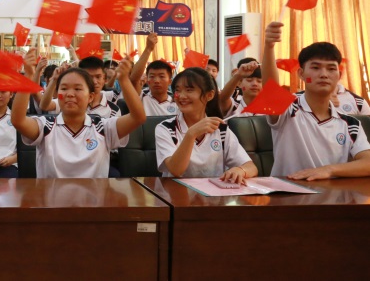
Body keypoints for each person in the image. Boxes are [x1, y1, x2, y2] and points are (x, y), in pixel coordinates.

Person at [10, 49, 146, 178]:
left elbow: (138, 117)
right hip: (52, 194)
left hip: (94, 194)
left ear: (90, 97)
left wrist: (124, 80)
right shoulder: (46, 126)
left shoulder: (103, 128)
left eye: (78, 89)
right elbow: (18, 120)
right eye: (64, 88)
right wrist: (28, 75)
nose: (70, 94)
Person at [262, 22, 370, 179]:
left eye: (331, 69)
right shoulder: (289, 108)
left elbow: (367, 163)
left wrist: (329, 170)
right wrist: (269, 46)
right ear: (301, 73)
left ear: (339, 76)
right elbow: (270, 90)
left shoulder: (351, 124)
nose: (324, 74)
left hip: (333, 193)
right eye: (315, 67)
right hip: (287, 192)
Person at [155, 67, 257, 183]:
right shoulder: (166, 128)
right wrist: (191, 134)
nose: (182, 96)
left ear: (209, 95)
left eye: (189, 90)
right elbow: (176, 170)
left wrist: (240, 170)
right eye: (178, 90)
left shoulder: (220, 129)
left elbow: (251, 167)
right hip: (177, 192)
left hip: (213, 193)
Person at [39, 56, 120, 117]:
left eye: (98, 77)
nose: (94, 82)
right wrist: (54, 80)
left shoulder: (113, 109)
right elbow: (44, 106)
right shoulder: (71, 101)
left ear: (104, 79)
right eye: (89, 77)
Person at [131, 33, 177, 116]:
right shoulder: (141, 97)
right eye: (152, 76)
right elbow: (134, 79)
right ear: (147, 80)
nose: (156, 81)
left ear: (170, 81)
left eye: (161, 76)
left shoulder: (177, 102)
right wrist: (148, 49)